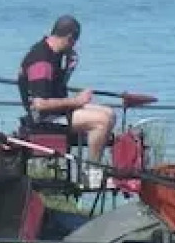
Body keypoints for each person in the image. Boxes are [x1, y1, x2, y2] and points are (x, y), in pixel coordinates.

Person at [16, 15, 116, 178]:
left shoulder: (54, 54)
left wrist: (68, 70)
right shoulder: (41, 60)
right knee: (101, 122)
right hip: (44, 118)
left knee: (109, 113)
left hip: (57, 111)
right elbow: (40, 104)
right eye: (74, 41)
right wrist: (76, 101)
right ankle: (92, 173)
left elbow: (53, 89)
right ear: (70, 38)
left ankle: (93, 164)